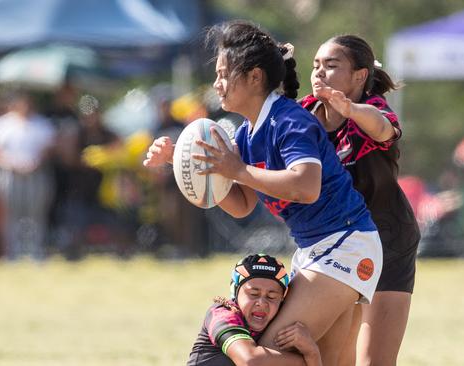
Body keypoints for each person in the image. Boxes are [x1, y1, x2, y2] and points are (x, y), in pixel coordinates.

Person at [144, 20, 383, 365]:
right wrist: (187, 162)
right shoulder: (246, 134)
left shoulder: (289, 121)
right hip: (323, 248)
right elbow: (241, 205)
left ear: (255, 77)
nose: (217, 84)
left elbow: (306, 186)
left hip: (344, 245)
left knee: (265, 357)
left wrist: (237, 170)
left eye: (225, 74)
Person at [300, 35, 420, 366]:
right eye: (316, 65)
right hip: (332, 243)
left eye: (331, 65)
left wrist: (350, 109)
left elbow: (383, 130)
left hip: (387, 238)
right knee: (331, 358)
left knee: (374, 361)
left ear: (360, 76)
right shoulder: (302, 116)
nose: (319, 72)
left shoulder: (373, 110)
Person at [188, 253, 321, 366]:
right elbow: (250, 361)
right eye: (253, 294)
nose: (262, 303)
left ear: (282, 299)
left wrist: (311, 348)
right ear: (235, 291)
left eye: (272, 296)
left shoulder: (280, 320)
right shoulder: (223, 314)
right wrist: (310, 355)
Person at [0, 90, 56, 260]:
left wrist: (34, 163)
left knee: (36, 213)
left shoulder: (41, 124)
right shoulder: (2, 124)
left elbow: (48, 149)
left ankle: (35, 252)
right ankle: (11, 254)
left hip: (35, 174)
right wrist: (11, 163)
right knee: (10, 215)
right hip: (9, 174)